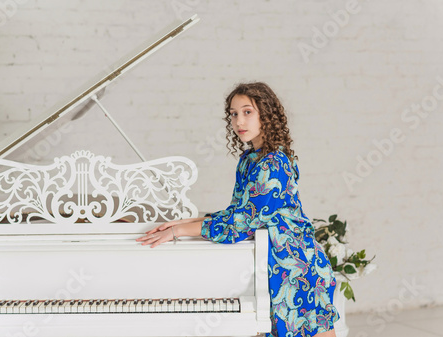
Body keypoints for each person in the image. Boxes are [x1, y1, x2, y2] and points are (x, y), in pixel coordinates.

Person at [136, 82, 340, 337]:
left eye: (247, 112)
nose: (238, 121)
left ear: (266, 114)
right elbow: (238, 210)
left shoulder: (272, 163)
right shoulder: (249, 160)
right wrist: (191, 221)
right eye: (233, 114)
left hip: (296, 266)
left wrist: (180, 231)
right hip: (277, 259)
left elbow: (243, 223)